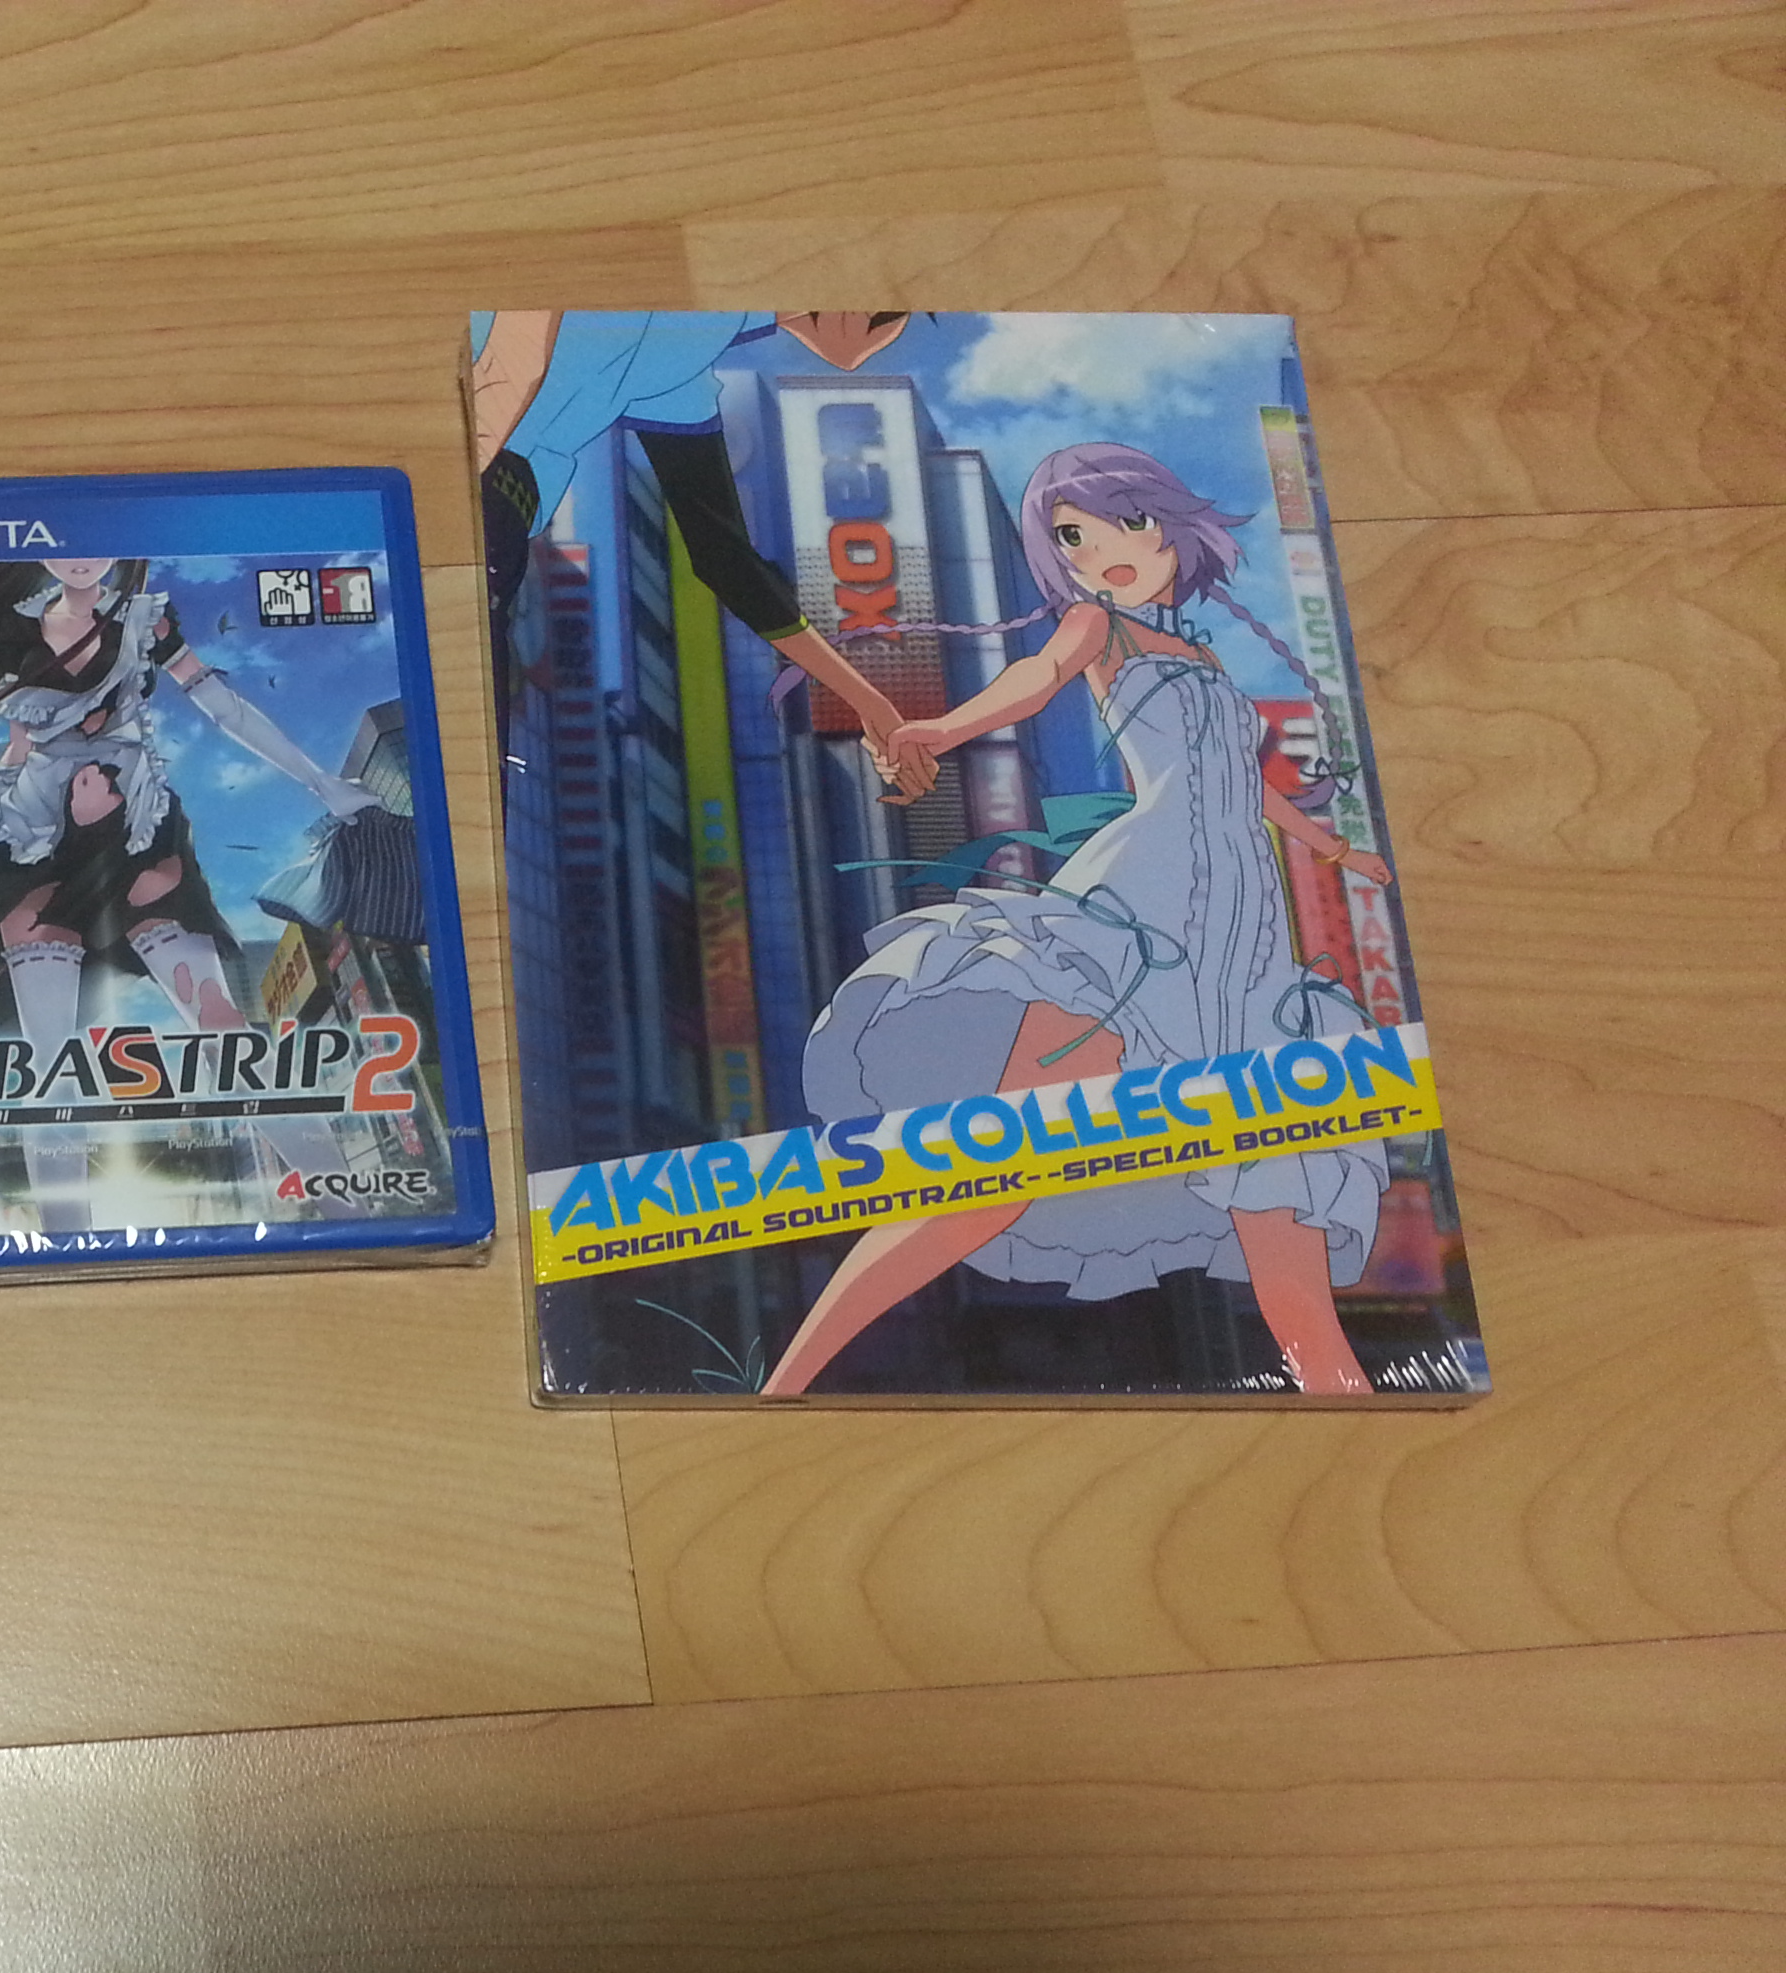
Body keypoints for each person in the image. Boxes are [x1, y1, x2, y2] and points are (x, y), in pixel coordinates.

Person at [759, 442, 1396, 1398]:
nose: (1104, 552)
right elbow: (1036, 678)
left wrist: (1335, 850)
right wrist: (941, 729)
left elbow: (1242, 788)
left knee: (1283, 1220)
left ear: (1170, 523)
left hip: (1246, 943)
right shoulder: (1100, 625)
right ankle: (781, 1388)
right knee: (996, 1167)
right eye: (1073, 538)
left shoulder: (1207, 659)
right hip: (1140, 908)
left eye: (1126, 523)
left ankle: (1350, 1415)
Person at [0, 557, 382, 1225]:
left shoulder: (144, 621)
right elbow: (14, 758)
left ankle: (342, 1199)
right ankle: (66, 1234)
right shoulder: (16, 631)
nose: (79, 558)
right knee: (51, 1064)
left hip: (138, 834)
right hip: (39, 847)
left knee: (223, 1027)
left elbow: (222, 707)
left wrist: (321, 782)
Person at [469, 309, 932, 799]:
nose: (868, 350)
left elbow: (725, 557)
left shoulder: (683, 372)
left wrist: (870, 703)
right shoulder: (693, 319)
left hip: (500, 512)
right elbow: (524, 332)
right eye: (888, 319)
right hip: (474, 468)